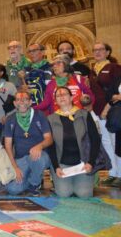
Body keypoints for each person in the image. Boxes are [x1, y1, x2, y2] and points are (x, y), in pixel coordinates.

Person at [47, 87, 101, 198]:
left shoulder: (84, 115)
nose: (61, 96)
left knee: (84, 194)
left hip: (83, 163)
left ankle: (84, 181)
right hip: (61, 165)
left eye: (65, 94)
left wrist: (90, 162)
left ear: (71, 97)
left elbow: (95, 140)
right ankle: (61, 182)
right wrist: (56, 167)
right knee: (64, 194)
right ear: (55, 101)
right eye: (58, 95)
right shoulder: (50, 119)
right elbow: (50, 146)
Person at [4, 91, 53, 196]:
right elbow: (8, 146)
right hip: (21, 158)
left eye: (25, 99)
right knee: (12, 189)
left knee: (37, 159)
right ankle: (32, 177)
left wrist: (39, 146)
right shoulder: (10, 119)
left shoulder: (40, 115)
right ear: (14, 103)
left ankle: (34, 184)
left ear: (30, 102)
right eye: (18, 99)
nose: (21, 102)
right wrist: (15, 167)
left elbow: (49, 139)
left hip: (39, 156)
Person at [88, 42, 121, 187]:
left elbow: (117, 92)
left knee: (116, 142)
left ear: (108, 52)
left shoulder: (114, 68)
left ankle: (120, 174)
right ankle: (113, 172)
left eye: (101, 50)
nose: (97, 52)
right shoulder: (92, 71)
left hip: (111, 111)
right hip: (96, 112)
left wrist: (107, 108)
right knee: (106, 143)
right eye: (95, 50)